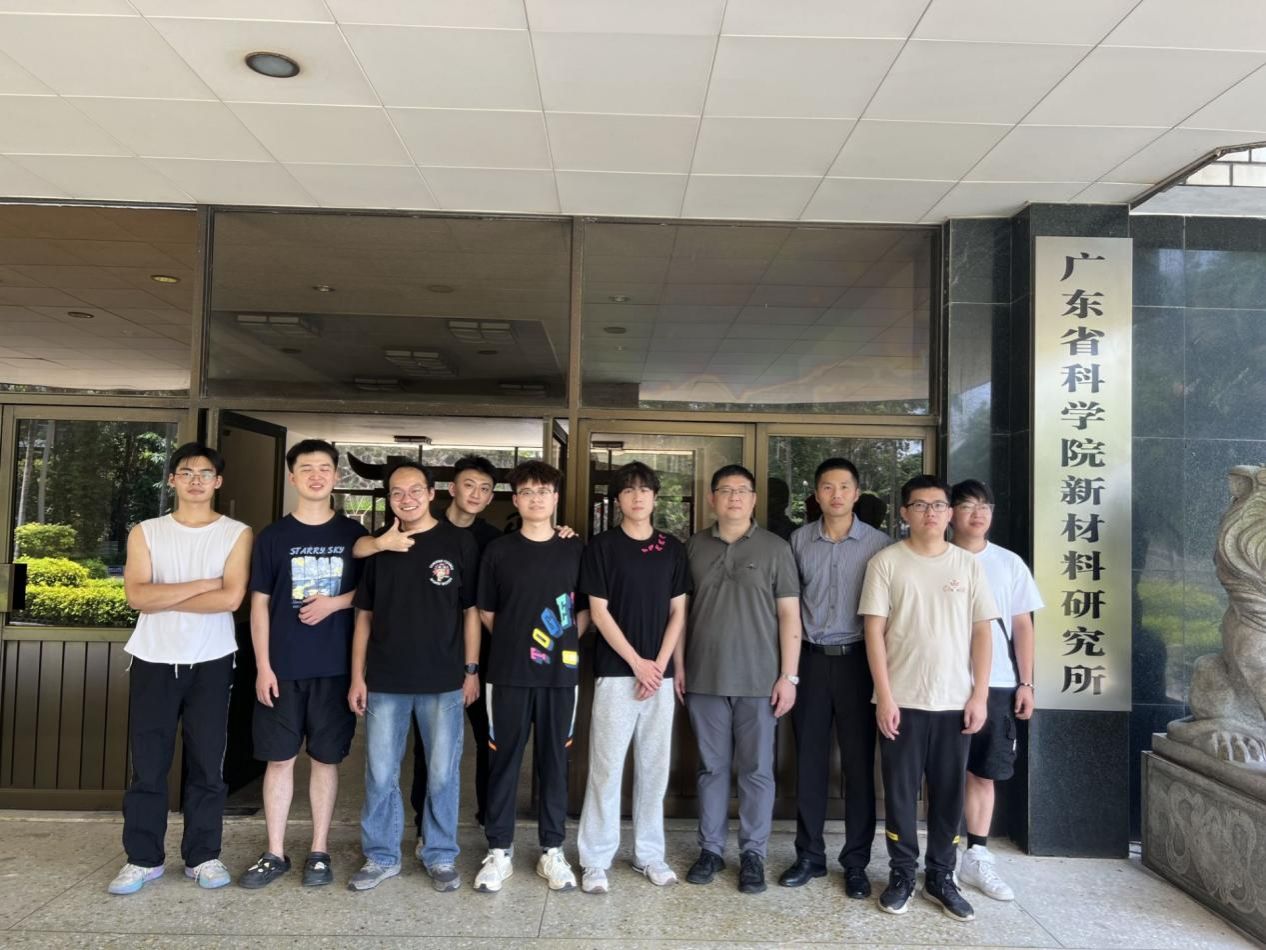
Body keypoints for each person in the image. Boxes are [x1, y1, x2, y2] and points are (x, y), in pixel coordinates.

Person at [109, 442, 252, 895]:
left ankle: (203, 856)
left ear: (218, 482)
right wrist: (204, 584)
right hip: (153, 658)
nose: (195, 480)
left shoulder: (236, 533)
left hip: (212, 661)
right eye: (186, 472)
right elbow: (138, 596)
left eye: (205, 473)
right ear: (172, 479)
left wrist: (166, 594)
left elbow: (231, 599)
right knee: (148, 766)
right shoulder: (146, 532)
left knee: (207, 764)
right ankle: (142, 858)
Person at [859, 474, 998, 922]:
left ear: (949, 512)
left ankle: (941, 876)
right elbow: (874, 632)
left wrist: (979, 695)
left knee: (949, 796)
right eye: (920, 505)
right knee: (900, 794)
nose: (930, 513)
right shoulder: (886, 562)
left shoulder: (966, 565)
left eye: (938, 505)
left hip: (955, 702)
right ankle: (902, 875)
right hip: (902, 701)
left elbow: (982, 632)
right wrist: (884, 696)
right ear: (905, 513)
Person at [346, 460, 480, 893]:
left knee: (443, 774)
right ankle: (381, 855)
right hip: (386, 680)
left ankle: (439, 853)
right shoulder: (380, 546)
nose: (407, 499)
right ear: (389, 499)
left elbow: (470, 611)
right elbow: (363, 616)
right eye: (398, 492)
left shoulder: (457, 542)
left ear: (432, 494)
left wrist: (471, 669)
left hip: (443, 679)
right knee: (380, 773)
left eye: (415, 490)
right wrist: (357, 676)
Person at [238, 439, 367, 890]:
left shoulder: (354, 535)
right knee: (279, 760)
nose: (316, 475)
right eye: (307, 468)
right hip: (283, 669)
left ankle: (319, 851)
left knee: (326, 761)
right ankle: (274, 852)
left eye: (325, 468)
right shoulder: (273, 537)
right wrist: (263, 666)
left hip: (334, 669)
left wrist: (335, 603)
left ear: (336, 477)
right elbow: (259, 604)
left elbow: (374, 596)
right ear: (293, 477)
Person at [676, 464, 802, 895]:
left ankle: (753, 854)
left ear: (753, 499)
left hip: (760, 681)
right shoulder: (693, 546)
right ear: (712, 498)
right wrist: (679, 666)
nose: (734, 497)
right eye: (725, 490)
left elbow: (790, 615)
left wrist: (789, 676)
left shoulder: (776, 549)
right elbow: (680, 613)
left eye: (742, 490)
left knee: (757, 770)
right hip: (704, 678)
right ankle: (711, 850)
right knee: (711, 769)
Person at [473, 460, 589, 893]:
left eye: (543, 491)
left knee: (555, 762)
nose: (536, 498)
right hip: (508, 673)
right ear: (516, 499)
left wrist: (561, 643)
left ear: (555, 498)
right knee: (503, 761)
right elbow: (486, 611)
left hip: (561, 676)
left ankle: (552, 850)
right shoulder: (498, 551)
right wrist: (517, 642)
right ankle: (498, 849)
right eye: (527, 491)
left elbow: (585, 610)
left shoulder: (575, 549)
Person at [577, 462, 690, 894]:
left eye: (644, 489)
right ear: (618, 499)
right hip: (615, 673)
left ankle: (649, 855)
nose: (637, 497)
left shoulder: (671, 548)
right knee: (606, 768)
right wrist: (637, 663)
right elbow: (598, 611)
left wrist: (657, 665)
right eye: (628, 490)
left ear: (655, 497)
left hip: (659, 677)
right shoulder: (602, 547)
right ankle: (595, 858)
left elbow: (678, 611)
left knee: (654, 769)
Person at [780, 458, 891, 897]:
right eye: (828, 487)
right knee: (809, 761)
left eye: (844, 487)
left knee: (859, 766)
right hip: (809, 661)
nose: (837, 494)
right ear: (816, 494)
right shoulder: (798, 541)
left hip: (858, 663)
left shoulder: (880, 545)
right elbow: (788, 607)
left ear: (857, 493)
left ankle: (856, 861)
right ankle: (809, 855)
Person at [950, 479, 1043, 902]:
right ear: (950, 513)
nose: (978, 513)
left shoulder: (1008, 563)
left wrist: (1026, 682)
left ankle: (977, 856)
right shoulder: (937, 558)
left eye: (985, 506)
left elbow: (1022, 625)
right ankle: (942, 856)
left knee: (984, 772)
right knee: (943, 772)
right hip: (945, 682)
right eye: (968, 505)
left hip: (999, 684)